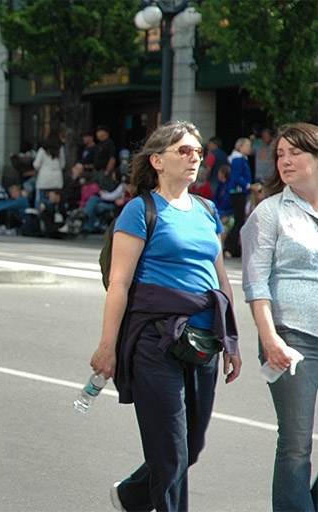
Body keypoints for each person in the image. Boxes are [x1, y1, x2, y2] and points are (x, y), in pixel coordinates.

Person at [89, 120, 241, 512]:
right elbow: (119, 285)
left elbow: (220, 278)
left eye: (198, 151)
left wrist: (232, 342)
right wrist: (107, 347)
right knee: (170, 451)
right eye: (183, 151)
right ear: (157, 160)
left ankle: (131, 495)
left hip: (204, 339)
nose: (194, 157)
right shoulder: (140, 211)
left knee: (190, 447)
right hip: (155, 341)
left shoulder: (207, 210)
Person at [240, 122, 318, 512]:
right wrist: (270, 338)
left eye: (295, 153)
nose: (285, 161)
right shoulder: (270, 212)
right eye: (280, 155)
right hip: (292, 337)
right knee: (296, 443)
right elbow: (255, 283)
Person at [224, 137, 252, 258]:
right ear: (240, 147)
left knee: (240, 219)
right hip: (238, 192)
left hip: (242, 192)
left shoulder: (243, 159)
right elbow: (236, 177)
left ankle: (233, 247)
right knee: (239, 220)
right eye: (247, 146)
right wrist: (247, 185)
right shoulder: (237, 160)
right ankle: (230, 246)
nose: (249, 149)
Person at [33, 132, 65, 206]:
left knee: (41, 200)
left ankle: (41, 214)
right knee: (55, 200)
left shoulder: (42, 150)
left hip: (44, 179)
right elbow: (62, 165)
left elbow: (36, 165)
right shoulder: (60, 150)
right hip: (56, 179)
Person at [213, 164, 234, 244]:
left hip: (229, 216)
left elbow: (232, 206)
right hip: (218, 214)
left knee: (223, 230)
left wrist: (226, 215)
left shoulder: (230, 188)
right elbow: (215, 201)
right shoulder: (219, 186)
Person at [92, 125, 117, 191]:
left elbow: (112, 158)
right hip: (97, 171)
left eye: (99, 132)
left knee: (104, 189)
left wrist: (107, 172)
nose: (97, 134)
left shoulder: (109, 143)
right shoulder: (99, 144)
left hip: (103, 171)